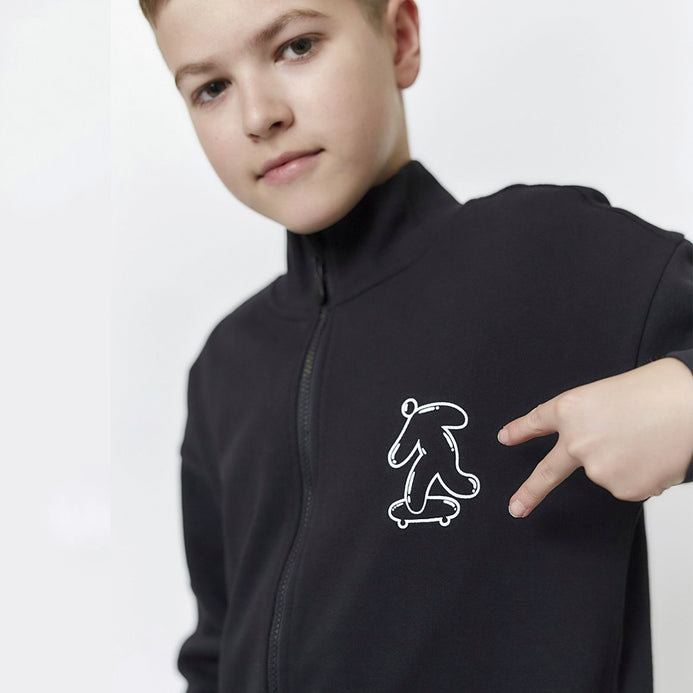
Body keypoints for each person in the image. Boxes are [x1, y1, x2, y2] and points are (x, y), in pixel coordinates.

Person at [138, 0, 693, 690]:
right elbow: (218, 648)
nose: (259, 115)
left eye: (297, 46)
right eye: (212, 87)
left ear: (399, 38)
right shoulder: (226, 367)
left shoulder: (549, 254)